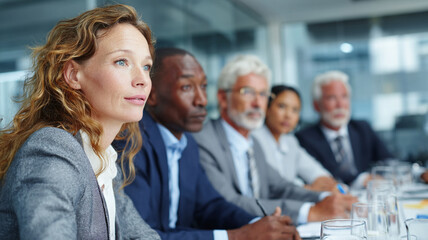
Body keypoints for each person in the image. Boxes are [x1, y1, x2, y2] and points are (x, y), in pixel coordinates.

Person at [0, 4, 160, 239]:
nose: (142, 80)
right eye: (122, 62)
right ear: (74, 75)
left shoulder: (102, 160)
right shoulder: (52, 147)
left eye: (146, 66)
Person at [114, 48, 300, 240]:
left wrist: (259, 225)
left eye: (203, 86)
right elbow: (142, 235)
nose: (202, 100)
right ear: (151, 94)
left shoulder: (187, 143)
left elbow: (209, 206)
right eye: (186, 87)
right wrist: (239, 236)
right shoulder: (130, 143)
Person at [193, 55, 357, 225]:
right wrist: (309, 212)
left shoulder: (252, 144)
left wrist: (327, 197)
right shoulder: (203, 141)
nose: (257, 103)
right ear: (222, 98)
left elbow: (281, 188)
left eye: (263, 94)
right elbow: (228, 203)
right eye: (247, 92)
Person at [295, 70, 393, 187]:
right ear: (316, 105)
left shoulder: (362, 129)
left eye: (344, 96)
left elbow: (388, 162)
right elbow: (321, 178)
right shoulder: (304, 139)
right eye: (331, 98)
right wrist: (359, 180)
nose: (340, 104)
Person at [252, 85, 337, 192]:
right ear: (267, 108)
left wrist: (328, 184)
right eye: (282, 106)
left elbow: (314, 170)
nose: (288, 115)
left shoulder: (290, 142)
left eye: (295, 110)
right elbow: (271, 186)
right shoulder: (254, 138)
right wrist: (306, 189)